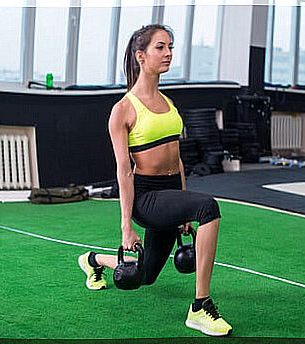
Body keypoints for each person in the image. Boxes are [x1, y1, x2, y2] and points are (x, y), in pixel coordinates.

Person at [78, 24, 232, 337]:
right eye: (160, 47)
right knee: (209, 208)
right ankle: (200, 307)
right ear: (141, 56)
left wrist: (184, 208)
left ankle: (93, 260)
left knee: (145, 275)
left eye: (170, 47)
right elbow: (123, 170)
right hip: (146, 199)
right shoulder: (122, 110)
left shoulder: (170, 104)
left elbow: (177, 159)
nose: (168, 53)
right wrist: (125, 226)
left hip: (171, 193)